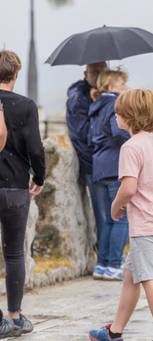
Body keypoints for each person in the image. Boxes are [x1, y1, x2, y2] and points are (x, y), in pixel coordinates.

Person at [89, 89, 153, 341]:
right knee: (131, 275)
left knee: (150, 278)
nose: (115, 114)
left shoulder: (130, 147)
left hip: (146, 223)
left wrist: (114, 205)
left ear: (128, 117)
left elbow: (128, 189)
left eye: (119, 111)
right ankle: (114, 331)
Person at [0, 50, 44, 337]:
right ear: (15, 75)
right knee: (14, 254)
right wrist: (39, 177)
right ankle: (15, 316)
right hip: (16, 187)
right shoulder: (25, 105)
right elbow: (35, 148)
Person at [88, 68, 131, 281]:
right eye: (123, 85)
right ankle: (115, 265)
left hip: (99, 168)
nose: (127, 88)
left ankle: (101, 265)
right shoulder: (115, 103)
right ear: (112, 88)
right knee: (122, 218)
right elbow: (118, 131)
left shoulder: (95, 107)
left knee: (107, 220)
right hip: (115, 166)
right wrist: (134, 141)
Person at [66, 61, 108, 251]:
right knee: (103, 214)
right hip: (93, 162)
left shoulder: (103, 96)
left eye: (103, 72)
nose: (98, 76)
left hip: (105, 160)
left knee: (111, 212)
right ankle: (105, 256)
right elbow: (85, 134)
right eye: (94, 72)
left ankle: (109, 254)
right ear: (85, 73)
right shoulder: (80, 98)